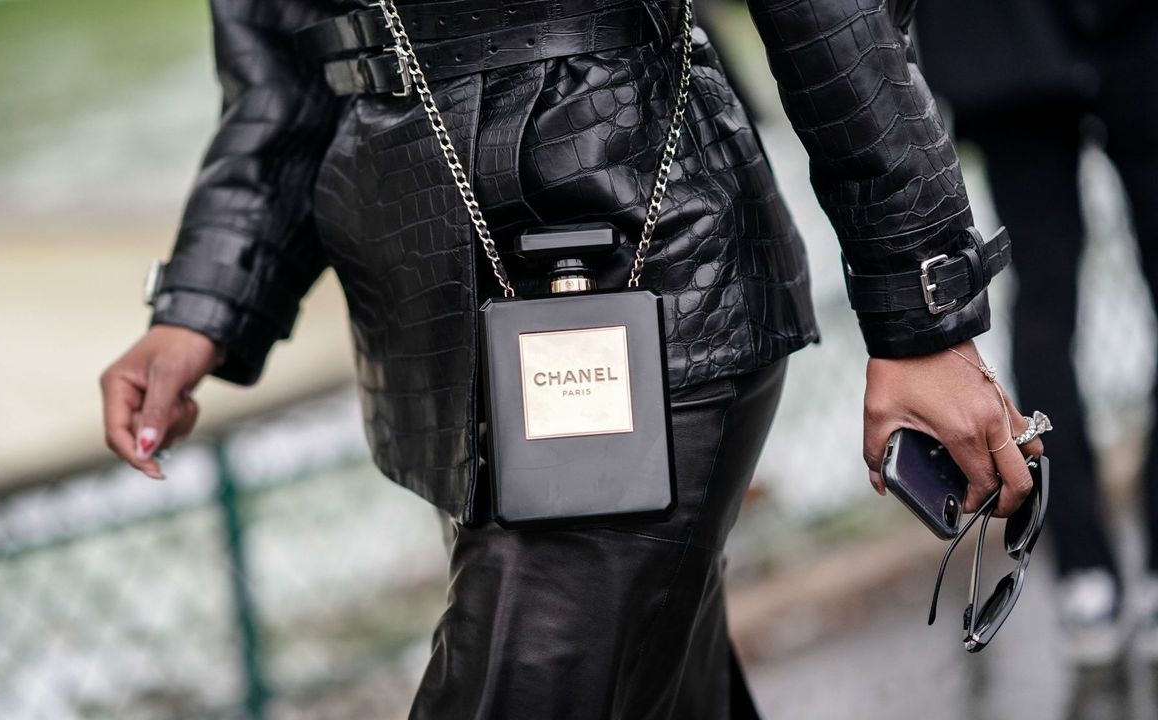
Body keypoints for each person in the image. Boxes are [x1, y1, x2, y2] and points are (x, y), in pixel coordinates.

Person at [100, 0, 1043, 716]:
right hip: (434, 327)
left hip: (651, 261)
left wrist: (923, 321)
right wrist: (201, 307)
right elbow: (280, 79)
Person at [915, 0, 1158, 666]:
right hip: (1007, 45)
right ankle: (1083, 562)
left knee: (1044, 309)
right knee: (1046, 307)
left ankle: (1093, 576)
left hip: (1112, 37)